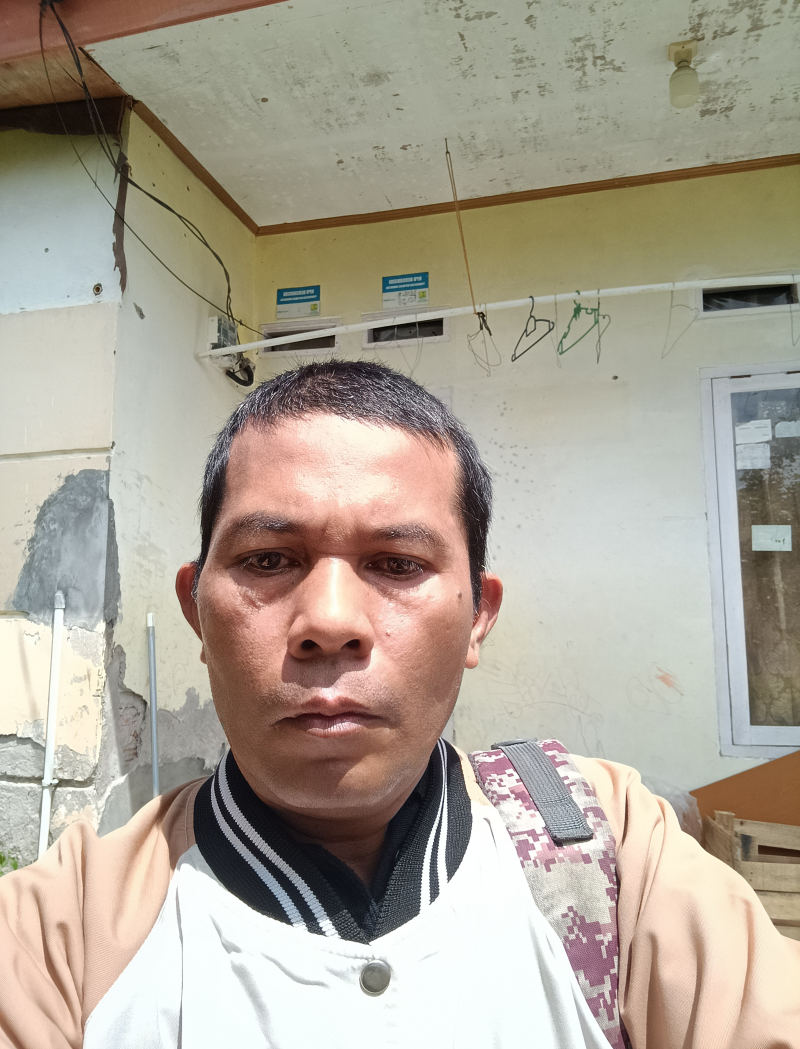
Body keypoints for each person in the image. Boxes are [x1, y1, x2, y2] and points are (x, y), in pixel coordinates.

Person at [0, 360, 797, 1049]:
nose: (329, 622)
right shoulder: (58, 936)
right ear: (196, 612)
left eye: (397, 563)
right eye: (269, 560)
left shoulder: (605, 848)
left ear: (478, 616)